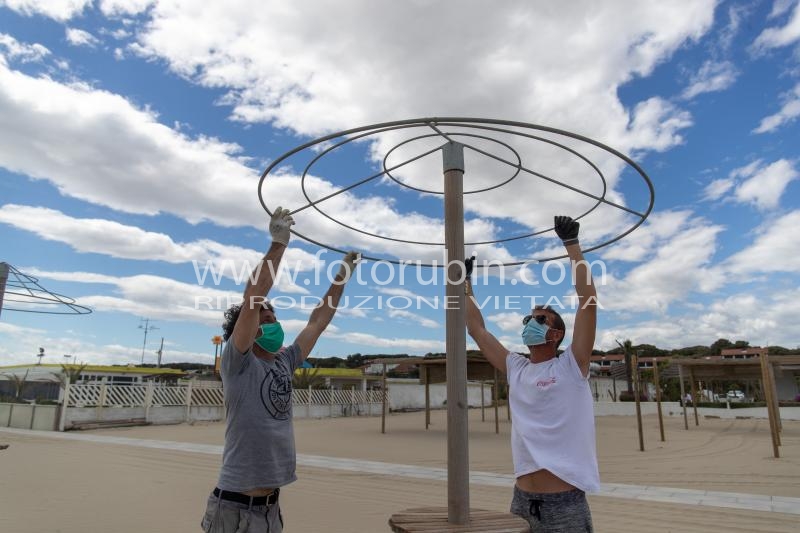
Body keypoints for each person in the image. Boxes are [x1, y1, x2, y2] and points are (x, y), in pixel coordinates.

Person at [200, 207, 360, 533]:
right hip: (233, 506)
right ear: (249, 329)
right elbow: (254, 298)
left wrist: (342, 275)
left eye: (274, 319)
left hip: (270, 510)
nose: (274, 323)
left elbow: (318, 321)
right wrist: (279, 244)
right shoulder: (238, 363)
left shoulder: (284, 361)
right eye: (267, 319)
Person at [465, 215, 599, 532]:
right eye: (529, 318)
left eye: (539, 319)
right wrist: (465, 282)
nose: (529, 323)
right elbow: (476, 329)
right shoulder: (517, 367)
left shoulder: (572, 365)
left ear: (555, 336)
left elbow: (588, 303)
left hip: (565, 504)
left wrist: (572, 245)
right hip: (521, 501)